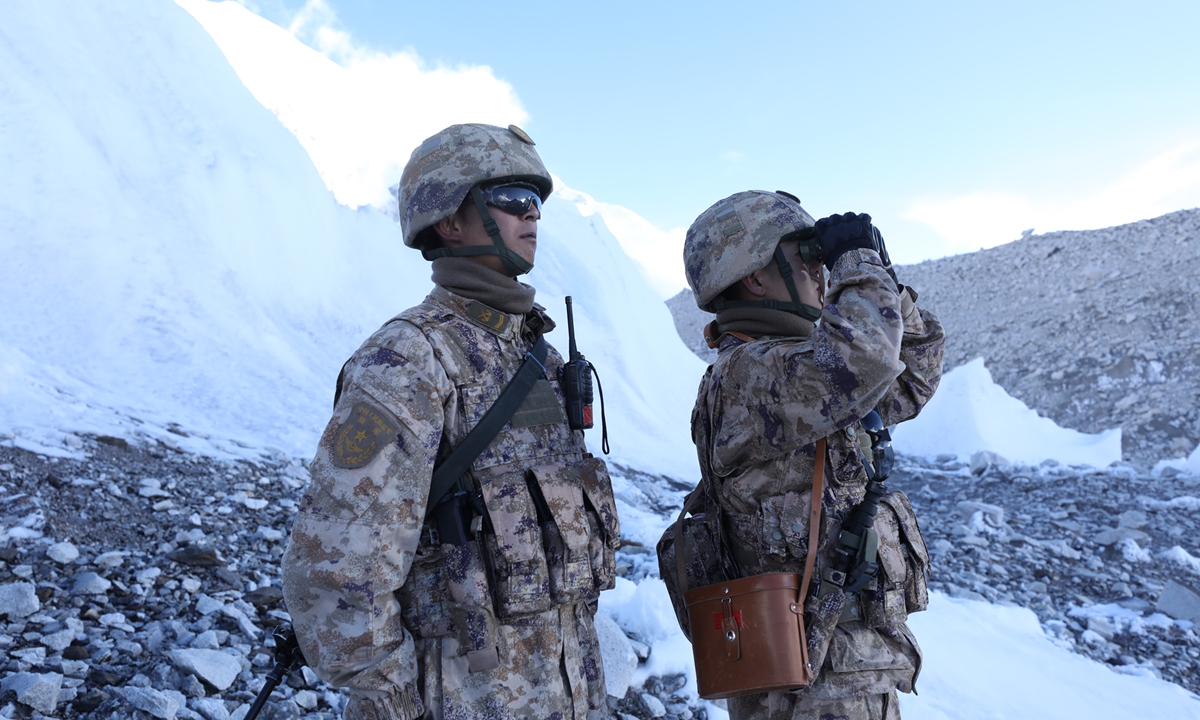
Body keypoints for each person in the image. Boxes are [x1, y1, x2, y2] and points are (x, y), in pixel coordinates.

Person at [282, 123, 620, 720]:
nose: (532, 216)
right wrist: (390, 700)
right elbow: (336, 566)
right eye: (512, 199)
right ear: (448, 220)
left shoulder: (541, 358)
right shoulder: (408, 360)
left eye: (536, 202)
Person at [681, 190, 945, 720]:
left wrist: (882, 278)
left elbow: (910, 379)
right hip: (801, 689)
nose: (821, 272)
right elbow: (866, 357)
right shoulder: (747, 376)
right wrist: (857, 264)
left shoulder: (806, 373)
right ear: (755, 277)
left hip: (845, 671)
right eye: (807, 258)